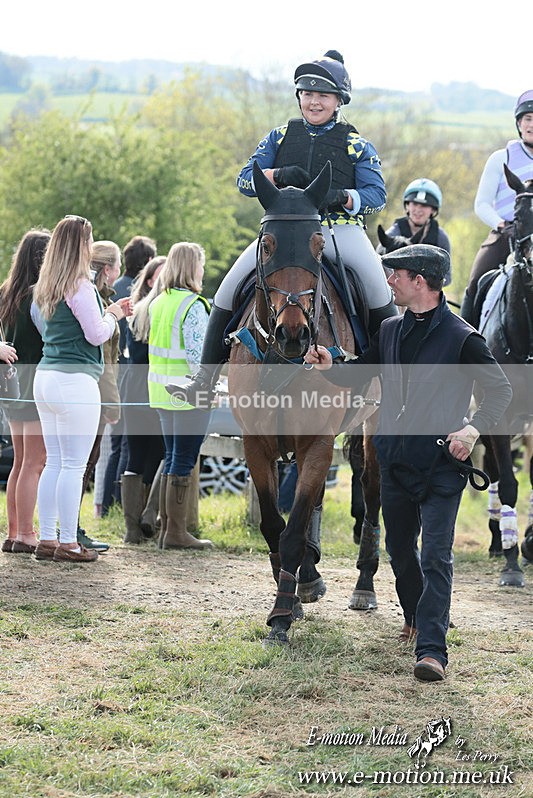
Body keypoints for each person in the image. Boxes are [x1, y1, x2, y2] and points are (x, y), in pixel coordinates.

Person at [304, 244, 512, 682]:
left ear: (420, 281)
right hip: (394, 460)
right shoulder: (390, 330)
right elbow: (362, 372)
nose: (390, 281)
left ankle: (432, 650)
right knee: (400, 551)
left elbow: (501, 392)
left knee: (435, 556)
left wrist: (472, 430)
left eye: (396, 273)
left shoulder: (463, 339)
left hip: (441, 466)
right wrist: (329, 364)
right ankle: (417, 615)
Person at [180, 49, 396, 406]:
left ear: (339, 100)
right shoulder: (278, 137)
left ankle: (394, 385)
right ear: (298, 97)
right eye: (307, 94)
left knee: (378, 290)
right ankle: (203, 379)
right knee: (228, 288)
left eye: (322, 95)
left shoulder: (356, 144)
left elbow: (376, 196)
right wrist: (277, 175)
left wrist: (340, 195)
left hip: (338, 230)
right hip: (283, 234)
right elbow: (244, 182)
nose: (313, 102)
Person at [31, 215, 132, 563]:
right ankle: (69, 542)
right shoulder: (80, 285)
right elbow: (96, 334)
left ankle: (46, 538)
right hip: (75, 380)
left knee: (54, 463)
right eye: (89, 241)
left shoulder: (48, 285)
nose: (91, 247)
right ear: (80, 245)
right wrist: (115, 313)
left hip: (45, 377)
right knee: (73, 466)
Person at [147, 242, 213, 549]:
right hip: (189, 392)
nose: (203, 269)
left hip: (162, 392)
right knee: (184, 459)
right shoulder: (193, 305)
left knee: (172, 455)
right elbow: (198, 358)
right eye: (200, 263)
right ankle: (176, 533)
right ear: (191, 267)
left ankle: (167, 531)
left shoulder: (160, 301)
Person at [461, 90, 533, 324]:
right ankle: (465, 345)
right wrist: (502, 225)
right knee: (476, 281)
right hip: (506, 234)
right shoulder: (501, 158)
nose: (532, 124)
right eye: (528, 118)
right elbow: (481, 204)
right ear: (519, 123)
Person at [0, 229, 50, 555]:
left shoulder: (6, 292)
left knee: (21, 462)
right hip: (33, 383)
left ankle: (14, 531)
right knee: (35, 461)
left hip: (12, 383)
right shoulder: (39, 295)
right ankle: (27, 533)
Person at [102, 234, 157, 513]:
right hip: (130, 375)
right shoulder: (137, 295)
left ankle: (108, 503)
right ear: (148, 262)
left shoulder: (116, 287)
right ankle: (122, 504)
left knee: (118, 445)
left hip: (118, 373)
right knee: (126, 445)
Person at [75, 239, 123, 553]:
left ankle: (67, 526)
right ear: (108, 269)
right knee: (83, 464)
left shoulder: (101, 298)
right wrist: (113, 404)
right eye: (118, 265)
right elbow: (104, 359)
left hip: (86, 387)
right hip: (94, 391)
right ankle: (70, 529)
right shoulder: (95, 300)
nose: (120, 271)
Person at [120, 255, 166, 543]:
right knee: (161, 451)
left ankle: (131, 530)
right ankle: (149, 514)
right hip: (155, 386)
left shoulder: (135, 310)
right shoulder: (165, 309)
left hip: (132, 387)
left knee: (135, 454)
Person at [376, 178, 452, 285]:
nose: (418, 210)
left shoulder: (441, 238)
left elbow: (447, 277)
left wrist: (422, 284)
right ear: (407, 206)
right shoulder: (392, 234)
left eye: (424, 206)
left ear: (433, 210)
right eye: (414, 204)